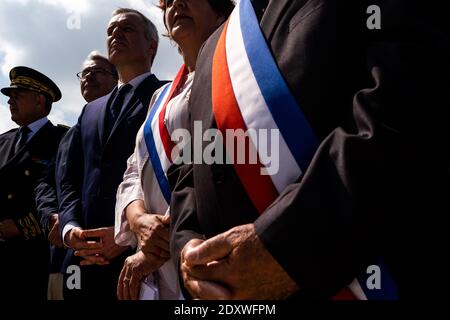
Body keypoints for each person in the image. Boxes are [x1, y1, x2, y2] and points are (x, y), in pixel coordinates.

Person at [169, 0, 448, 299]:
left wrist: (286, 245)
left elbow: (404, 105)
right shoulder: (213, 48)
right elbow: (191, 170)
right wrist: (187, 249)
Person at [114, 0, 234, 300]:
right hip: (153, 265)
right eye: (167, 2)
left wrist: (167, 242)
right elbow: (133, 170)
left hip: (206, 252)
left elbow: (218, 167)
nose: (176, 3)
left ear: (221, 10)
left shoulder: (238, 74)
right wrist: (139, 220)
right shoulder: (161, 95)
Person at [58, 8, 167, 299]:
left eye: (127, 29)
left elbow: (173, 177)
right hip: (80, 258)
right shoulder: (89, 111)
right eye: (110, 31)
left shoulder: (169, 98)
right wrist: (71, 230)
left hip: (138, 262)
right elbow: (70, 179)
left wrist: (125, 235)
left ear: (152, 45)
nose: (115, 34)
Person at [34, 51, 118, 300]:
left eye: (98, 71)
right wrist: (53, 216)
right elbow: (46, 183)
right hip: (65, 255)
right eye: (85, 73)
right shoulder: (68, 135)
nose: (89, 76)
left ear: (116, 79)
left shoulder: (127, 121)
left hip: (109, 249)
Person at [0, 66, 68, 300]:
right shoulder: (3, 140)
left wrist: (21, 226)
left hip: (37, 256)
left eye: (17, 96)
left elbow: (65, 192)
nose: (11, 101)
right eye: (9, 97)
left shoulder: (63, 140)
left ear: (39, 100)